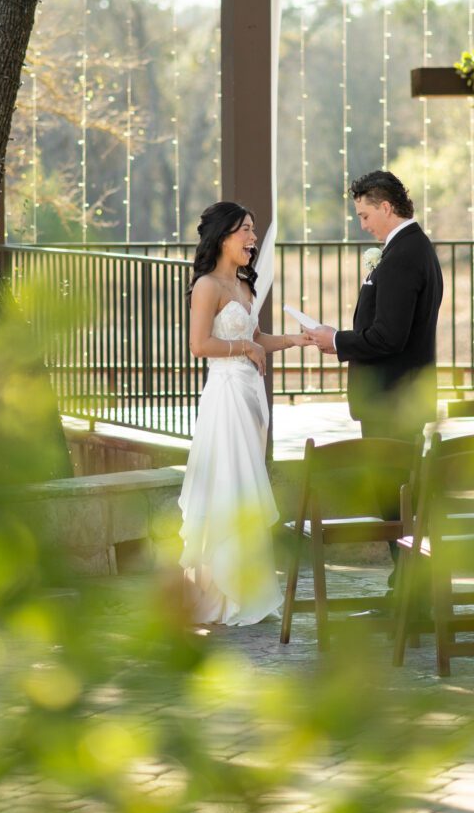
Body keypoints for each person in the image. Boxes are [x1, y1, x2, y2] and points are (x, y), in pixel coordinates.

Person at [178, 201, 310, 626]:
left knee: (249, 487)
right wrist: (245, 348)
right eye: (246, 231)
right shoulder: (207, 287)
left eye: (253, 231)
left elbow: (255, 336)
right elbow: (200, 346)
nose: (254, 239)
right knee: (229, 486)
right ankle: (222, 592)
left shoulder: (243, 285)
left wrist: (293, 340)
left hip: (251, 398)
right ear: (222, 236)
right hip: (226, 398)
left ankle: (249, 586)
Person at [309, 170, 443, 443]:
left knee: (390, 484)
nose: (363, 226)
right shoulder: (416, 246)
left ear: (386, 207)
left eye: (364, 216)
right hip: (402, 397)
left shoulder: (402, 257)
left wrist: (336, 340)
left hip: (390, 401)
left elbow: (389, 337)